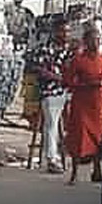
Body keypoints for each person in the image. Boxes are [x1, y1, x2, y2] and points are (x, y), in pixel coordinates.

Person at [64, 23, 102, 185]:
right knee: (80, 138)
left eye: (98, 40)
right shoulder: (78, 60)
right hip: (81, 104)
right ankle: (75, 172)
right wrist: (85, 85)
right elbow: (68, 82)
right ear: (86, 41)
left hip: (97, 105)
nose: (96, 43)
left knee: (98, 139)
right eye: (93, 40)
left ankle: (97, 170)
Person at [29, 20, 74, 174]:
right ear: (54, 32)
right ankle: (51, 158)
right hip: (51, 92)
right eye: (62, 31)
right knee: (51, 124)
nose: (65, 35)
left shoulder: (71, 51)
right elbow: (36, 68)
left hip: (68, 91)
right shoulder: (44, 49)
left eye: (67, 31)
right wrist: (55, 77)